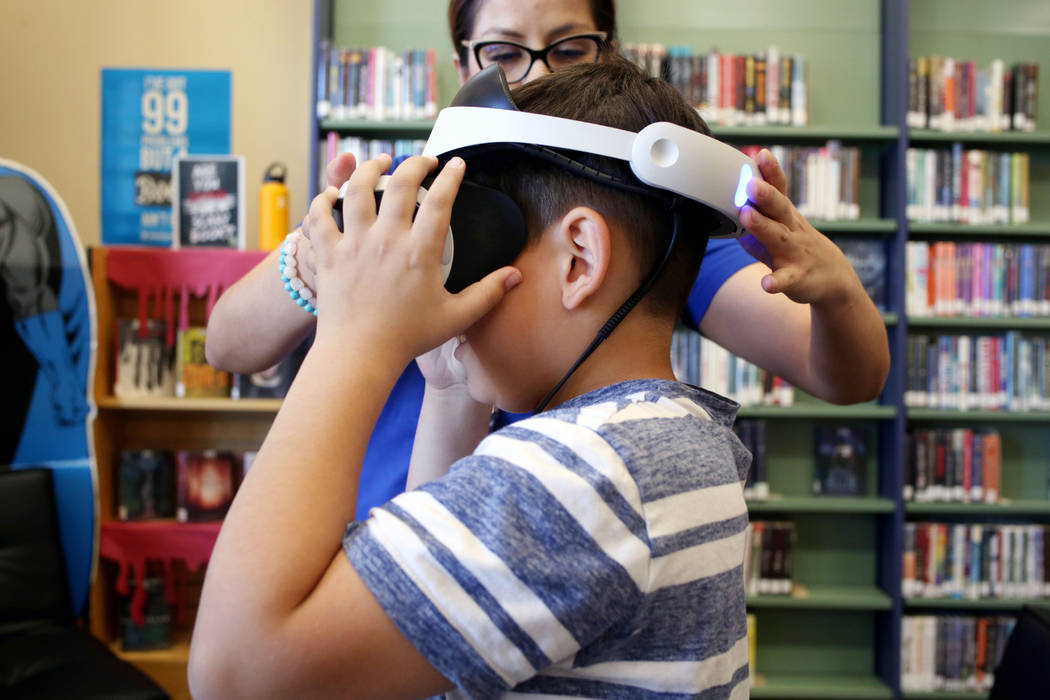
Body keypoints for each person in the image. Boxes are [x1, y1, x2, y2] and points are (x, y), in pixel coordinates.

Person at [189, 57, 752, 699]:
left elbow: (235, 675)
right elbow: (430, 587)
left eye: (479, 247)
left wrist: (355, 335)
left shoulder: (581, 477)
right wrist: (450, 384)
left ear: (580, 260)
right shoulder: (678, 440)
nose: (455, 285)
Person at [204, 0, 889, 518]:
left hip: (548, 540)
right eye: (503, 52)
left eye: (568, 50)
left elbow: (843, 373)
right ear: (462, 62)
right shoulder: (409, 202)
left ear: (607, 54)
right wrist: (321, 262)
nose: (534, 74)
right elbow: (229, 343)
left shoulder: (641, 221)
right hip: (385, 551)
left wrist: (833, 287)